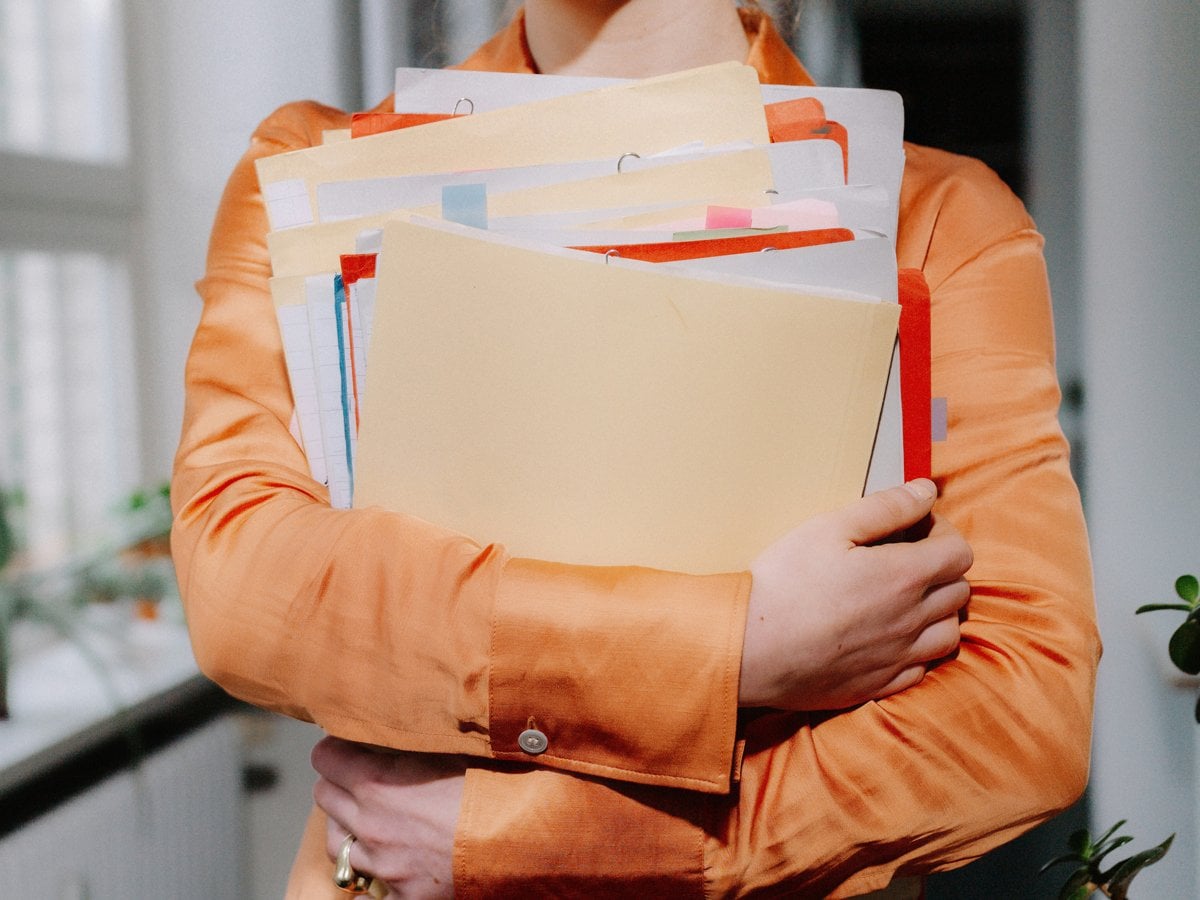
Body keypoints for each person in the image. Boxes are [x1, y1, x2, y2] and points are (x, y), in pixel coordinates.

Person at [170, 0, 1099, 896]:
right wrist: (738, 647)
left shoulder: (940, 217)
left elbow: (1023, 714)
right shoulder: (305, 167)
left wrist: (542, 841)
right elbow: (243, 583)